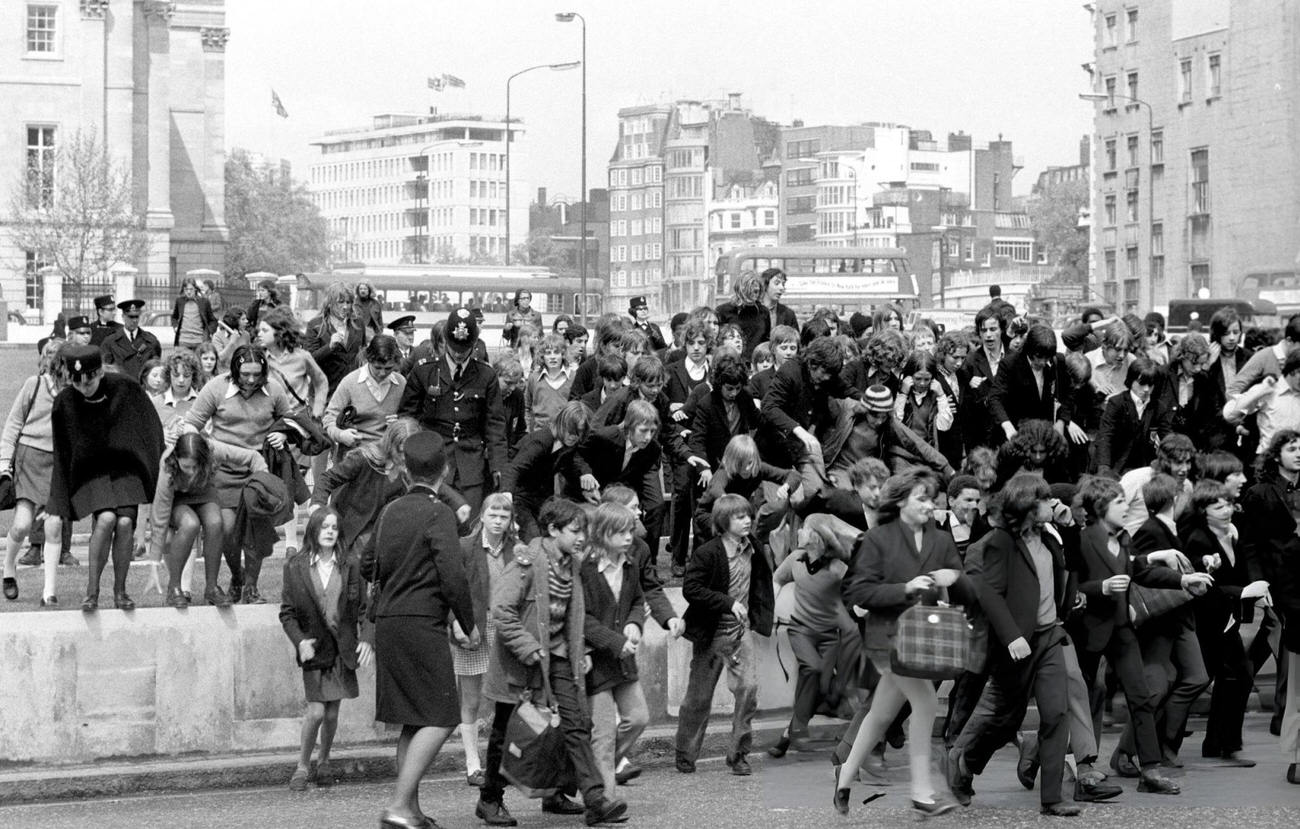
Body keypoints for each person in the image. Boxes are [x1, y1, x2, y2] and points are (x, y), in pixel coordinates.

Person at [477, 497, 629, 827]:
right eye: (575, 531)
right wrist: (526, 645)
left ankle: (592, 799)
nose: (581, 538)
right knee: (507, 731)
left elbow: (573, 617)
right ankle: (489, 799)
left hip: (558, 658)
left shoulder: (571, 563)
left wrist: (581, 654)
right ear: (552, 530)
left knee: (575, 725)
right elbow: (501, 610)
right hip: (520, 662)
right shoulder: (527, 560)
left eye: (583, 532)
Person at [836, 467, 973, 817]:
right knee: (925, 701)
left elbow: (957, 576)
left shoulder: (939, 539)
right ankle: (922, 791)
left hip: (923, 634)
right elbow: (857, 591)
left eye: (932, 498)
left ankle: (844, 778)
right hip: (886, 636)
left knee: (881, 714)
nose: (931, 505)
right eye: (922, 498)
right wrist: (906, 588)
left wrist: (950, 579)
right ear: (899, 502)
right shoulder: (877, 540)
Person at [947, 474, 1080, 816]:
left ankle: (1052, 798)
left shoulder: (1051, 537)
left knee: (1056, 712)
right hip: (1015, 642)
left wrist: (1072, 527)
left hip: (1049, 636)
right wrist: (1012, 636)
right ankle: (960, 761)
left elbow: (1075, 567)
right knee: (1003, 716)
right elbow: (988, 593)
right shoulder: (999, 542)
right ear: (1026, 505)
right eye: (1043, 499)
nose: (1051, 504)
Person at [1071, 476, 1207, 795]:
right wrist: (1099, 588)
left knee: (1141, 697)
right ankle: (1075, 765)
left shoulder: (1123, 537)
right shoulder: (1081, 540)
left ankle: (1150, 770)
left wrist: (1181, 581)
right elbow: (1070, 587)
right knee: (1081, 699)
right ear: (1100, 507)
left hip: (1121, 627)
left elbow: (1138, 572)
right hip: (1089, 630)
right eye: (1119, 502)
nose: (1127, 506)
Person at [372, 432, 477, 829]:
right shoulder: (439, 513)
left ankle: (411, 810)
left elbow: (369, 564)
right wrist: (469, 625)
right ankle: (399, 805)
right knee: (443, 714)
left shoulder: (390, 510)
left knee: (412, 718)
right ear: (445, 471)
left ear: (405, 469)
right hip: (421, 622)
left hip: (389, 621)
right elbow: (452, 575)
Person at [48, 345, 164, 613]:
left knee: (125, 522)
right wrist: (57, 501)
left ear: (99, 372)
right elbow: (62, 452)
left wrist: (149, 468)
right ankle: (92, 592)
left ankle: (120, 591)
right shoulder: (65, 402)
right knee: (107, 518)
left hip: (126, 468)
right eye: (76, 381)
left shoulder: (125, 387)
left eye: (89, 379)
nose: (83, 386)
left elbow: (151, 427)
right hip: (91, 471)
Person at [184, 345, 297, 604]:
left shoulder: (274, 390)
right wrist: (203, 446)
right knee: (226, 529)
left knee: (257, 530)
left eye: (257, 374)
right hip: (222, 471)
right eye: (245, 373)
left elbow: (290, 421)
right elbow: (192, 423)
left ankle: (251, 587)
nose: (251, 379)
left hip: (259, 471)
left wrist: (282, 433)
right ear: (235, 370)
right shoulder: (216, 387)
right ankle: (237, 575)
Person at [675, 494, 775, 777]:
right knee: (698, 698)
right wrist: (727, 602)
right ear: (723, 521)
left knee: (748, 690)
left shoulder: (753, 548)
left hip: (738, 635)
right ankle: (685, 754)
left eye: (748, 515)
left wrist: (761, 616)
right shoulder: (708, 552)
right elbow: (691, 589)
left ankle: (739, 755)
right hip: (711, 634)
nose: (747, 520)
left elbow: (761, 584)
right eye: (739, 517)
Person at [279, 506, 374, 791]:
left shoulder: (351, 565)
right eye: (325, 527)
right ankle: (302, 765)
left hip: (342, 649)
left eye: (334, 527)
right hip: (314, 650)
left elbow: (365, 609)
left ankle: (324, 760)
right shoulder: (295, 566)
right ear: (314, 531)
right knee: (317, 713)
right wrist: (299, 641)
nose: (330, 531)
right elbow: (287, 613)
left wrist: (367, 638)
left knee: (332, 715)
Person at [1182, 478, 1262, 767]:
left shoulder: (1231, 534)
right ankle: (1218, 743)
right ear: (1204, 510)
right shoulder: (1199, 539)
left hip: (1225, 619)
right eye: (1218, 506)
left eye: (1227, 504)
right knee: (1223, 677)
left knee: (1235, 677)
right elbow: (1202, 587)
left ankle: (1219, 743)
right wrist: (1242, 592)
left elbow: (1238, 574)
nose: (1226, 510)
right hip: (1205, 621)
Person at [398, 308, 507, 519]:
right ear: (446, 341)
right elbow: (407, 419)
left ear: (474, 344)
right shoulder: (424, 371)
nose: (458, 353)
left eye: (464, 348)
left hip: (471, 463)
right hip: (432, 462)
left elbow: (495, 425)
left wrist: (498, 466)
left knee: (470, 523)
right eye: (454, 346)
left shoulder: (486, 375)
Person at [580, 502, 650, 796]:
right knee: (604, 735)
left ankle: (589, 772)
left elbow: (637, 600)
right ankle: (604, 799)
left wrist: (635, 623)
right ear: (602, 533)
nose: (627, 537)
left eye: (629, 531)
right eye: (620, 532)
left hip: (623, 661)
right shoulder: (585, 568)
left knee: (638, 719)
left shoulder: (630, 563)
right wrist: (616, 642)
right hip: (596, 662)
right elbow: (581, 617)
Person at [151, 430, 267, 608]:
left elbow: (253, 457)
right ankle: (174, 588)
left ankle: (212, 588)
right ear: (177, 459)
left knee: (215, 522)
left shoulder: (213, 449)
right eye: (186, 467)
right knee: (190, 524)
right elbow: (160, 510)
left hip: (205, 493)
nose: (191, 471)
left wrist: (263, 482)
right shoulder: (168, 463)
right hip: (178, 499)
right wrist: (154, 558)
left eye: (196, 466)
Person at [452, 493, 517, 789]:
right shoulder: (465, 547)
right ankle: (472, 764)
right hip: (473, 627)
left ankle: (504, 762)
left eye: (504, 516)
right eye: (493, 514)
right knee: (471, 698)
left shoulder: (517, 550)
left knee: (507, 698)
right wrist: (457, 625)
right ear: (482, 516)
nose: (498, 520)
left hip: (505, 627)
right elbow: (451, 588)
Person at [1, 340, 70, 606]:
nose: (54, 361)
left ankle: (49, 592)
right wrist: (5, 462)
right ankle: (9, 569)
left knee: (54, 526)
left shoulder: (75, 391)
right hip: (29, 458)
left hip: (59, 463)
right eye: (49, 355)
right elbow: (13, 425)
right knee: (21, 525)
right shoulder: (35, 384)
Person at [500, 402, 591, 542]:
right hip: (519, 497)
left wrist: (586, 476)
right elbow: (513, 469)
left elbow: (572, 463)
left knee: (555, 535)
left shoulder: (568, 445)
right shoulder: (541, 441)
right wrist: (506, 497)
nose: (574, 436)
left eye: (579, 432)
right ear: (561, 423)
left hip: (541, 498)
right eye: (571, 430)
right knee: (535, 539)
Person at [322, 334, 405, 454]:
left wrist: (400, 423)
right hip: (354, 454)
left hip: (388, 455)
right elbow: (329, 418)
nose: (382, 373)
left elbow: (411, 419)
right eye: (377, 368)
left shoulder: (401, 383)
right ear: (368, 360)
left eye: (388, 368)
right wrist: (340, 435)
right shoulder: (350, 382)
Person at [1095, 358, 1169, 477]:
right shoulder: (1116, 403)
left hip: (1145, 467)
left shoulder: (1159, 407)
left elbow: (1167, 439)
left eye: (1150, 385)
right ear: (1130, 380)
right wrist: (1104, 469)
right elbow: (1105, 437)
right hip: (1116, 466)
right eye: (1141, 383)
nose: (1146, 389)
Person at [100, 299, 162, 381]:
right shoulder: (110, 342)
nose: (134, 320)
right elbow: (105, 368)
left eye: (137, 316)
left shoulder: (150, 341)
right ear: (123, 317)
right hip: (121, 386)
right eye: (131, 317)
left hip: (142, 388)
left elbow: (155, 367)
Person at [171, 277, 216, 348]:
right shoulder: (179, 301)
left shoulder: (204, 302)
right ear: (183, 290)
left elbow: (213, 320)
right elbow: (174, 317)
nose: (188, 292)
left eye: (191, 289)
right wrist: (175, 326)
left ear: (195, 289)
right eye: (186, 289)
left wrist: (210, 332)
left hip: (200, 342)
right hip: (183, 341)